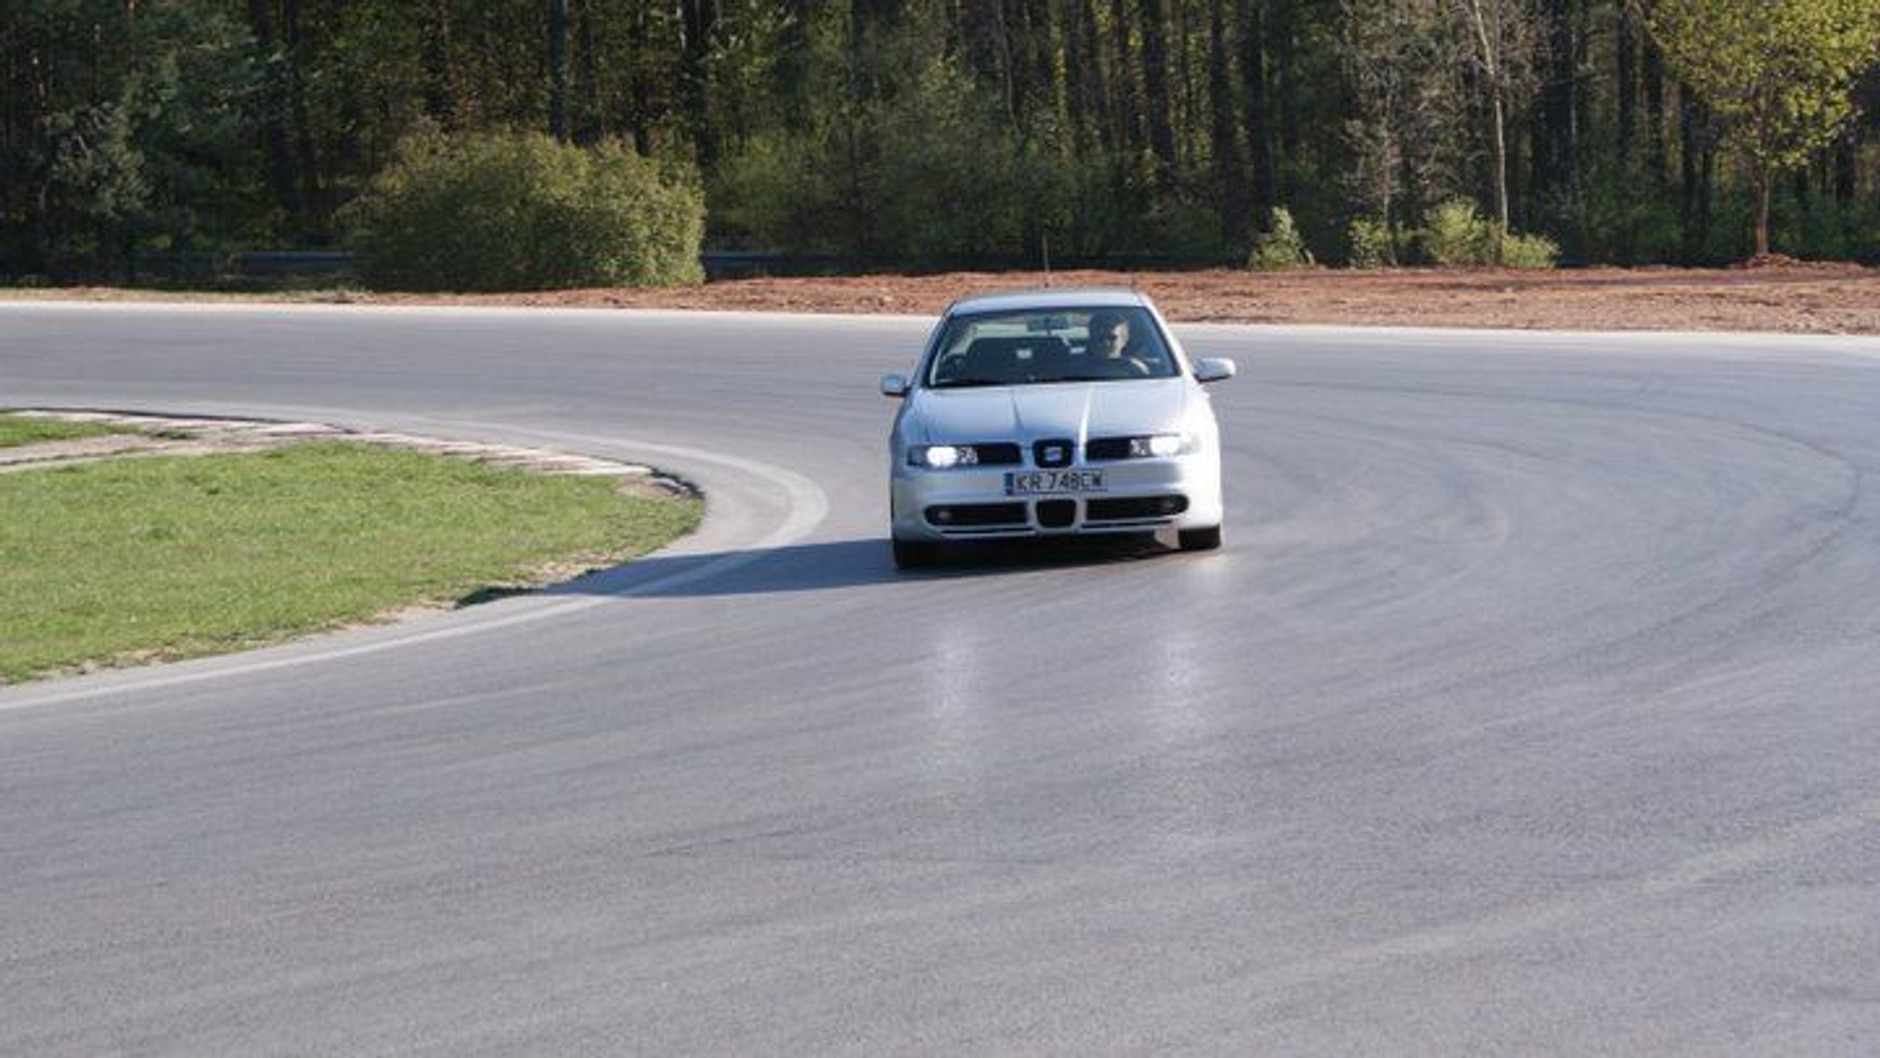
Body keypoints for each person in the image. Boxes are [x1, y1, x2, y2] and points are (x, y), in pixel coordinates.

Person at [1084, 310, 1150, 376]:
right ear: (1091, 337)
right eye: (1100, 338)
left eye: (1111, 337)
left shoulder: (1136, 370)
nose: (1105, 342)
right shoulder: (1077, 367)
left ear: (1125, 339)